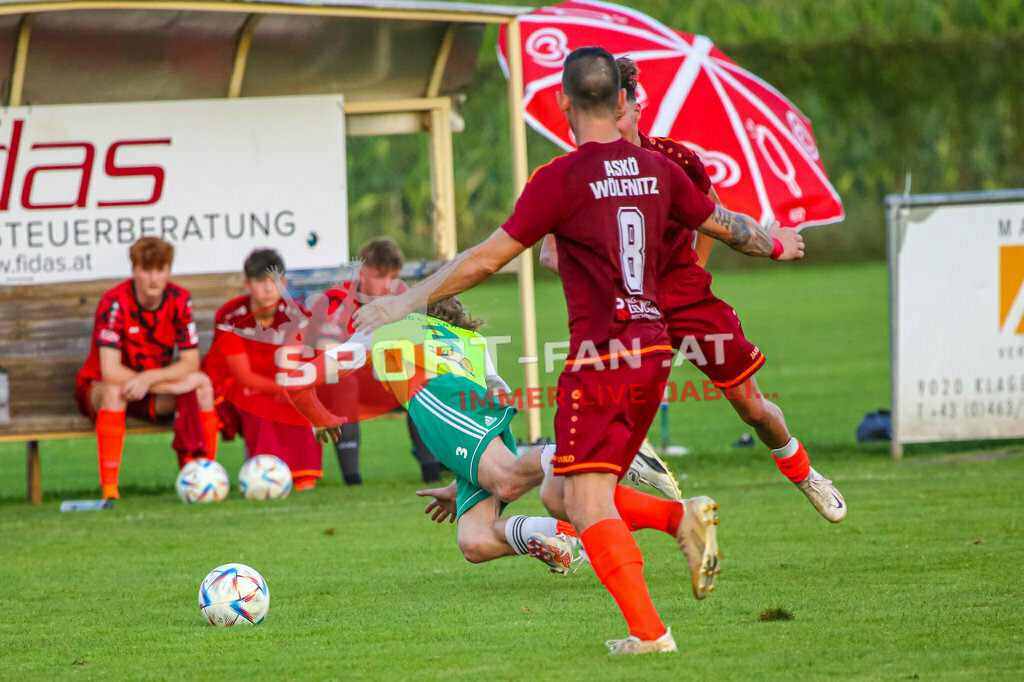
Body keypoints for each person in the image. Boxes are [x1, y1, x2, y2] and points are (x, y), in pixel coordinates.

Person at [353, 46, 804, 654]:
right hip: (653, 349)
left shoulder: (560, 178)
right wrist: (776, 244)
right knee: (561, 493)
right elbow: (728, 228)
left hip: (600, 358)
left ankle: (651, 634)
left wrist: (404, 302)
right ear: (621, 100)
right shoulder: (661, 170)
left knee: (584, 503)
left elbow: (485, 259)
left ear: (564, 101)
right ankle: (681, 518)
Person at [550, 56, 844, 523]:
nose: (609, 123)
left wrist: (701, 264)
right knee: (599, 410)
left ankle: (804, 472)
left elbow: (715, 219)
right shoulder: (575, 171)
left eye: (618, 113)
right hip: (621, 306)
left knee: (751, 406)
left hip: (682, 294)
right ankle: (589, 513)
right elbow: (550, 252)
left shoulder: (674, 161)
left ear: (632, 106)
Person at [75, 237, 219, 500]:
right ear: (134, 271)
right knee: (114, 391)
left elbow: (190, 362)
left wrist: (150, 378)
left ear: (169, 272)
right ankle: (110, 490)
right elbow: (110, 371)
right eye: (147, 270)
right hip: (100, 389)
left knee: (202, 387)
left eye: (160, 269)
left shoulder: (180, 299)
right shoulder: (114, 302)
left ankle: (206, 478)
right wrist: (168, 382)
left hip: (148, 390)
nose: (154, 278)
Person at [311, 238, 442, 485]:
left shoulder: (403, 297)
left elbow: (423, 343)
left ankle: (433, 470)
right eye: (381, 275)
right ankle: (353, 480)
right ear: (362, 273)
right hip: (339, 382)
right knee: (345, 385)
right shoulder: (336, 300)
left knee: (421, 377)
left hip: (386, 377)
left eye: (393, 275)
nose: (388, 283)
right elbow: (327, 356)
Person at [204, 249, 324, 490]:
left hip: (280, 383)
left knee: (302, 400)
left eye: (275, 281)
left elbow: (301, 364)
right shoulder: (230, 316)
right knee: (258, 403)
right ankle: (262, 478)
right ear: (247, 284)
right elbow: (243, 376)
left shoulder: (297, 315)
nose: (269, 288)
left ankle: (303, 478)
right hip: (232, 388)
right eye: (261, 281)